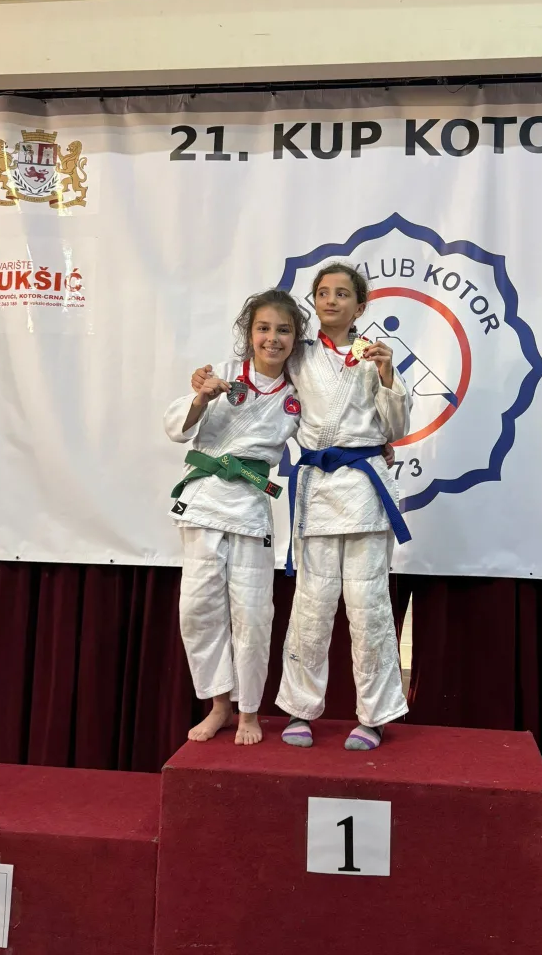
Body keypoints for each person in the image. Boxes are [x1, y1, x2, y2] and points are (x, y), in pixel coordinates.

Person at [191, 262, 412, 751]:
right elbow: (259, 375)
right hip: (317, 491)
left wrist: (387, 376)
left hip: (365, 490)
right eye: (323, 292)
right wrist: (206, 380)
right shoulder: (299, 354)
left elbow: (396, 428)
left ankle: (374, 715)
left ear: (360, 305)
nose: (331, 300)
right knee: (311, 606)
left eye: (343, 293)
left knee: (368, 606)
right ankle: (299, 707)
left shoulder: (374, 356)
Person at [165, 289, 307, 745]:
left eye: (283, 330)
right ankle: (219, 705)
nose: (272, 338)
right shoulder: (222, 375)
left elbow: (328, 434)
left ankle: (249, 711)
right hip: (204, 503)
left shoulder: (297, 395)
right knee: (198, 610)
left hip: (249, 509)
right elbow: (175, 430)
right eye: (263, 328)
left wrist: (376, 445)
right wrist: (200, 398)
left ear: (295, 338)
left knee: (253, 614)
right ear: (249, 333)